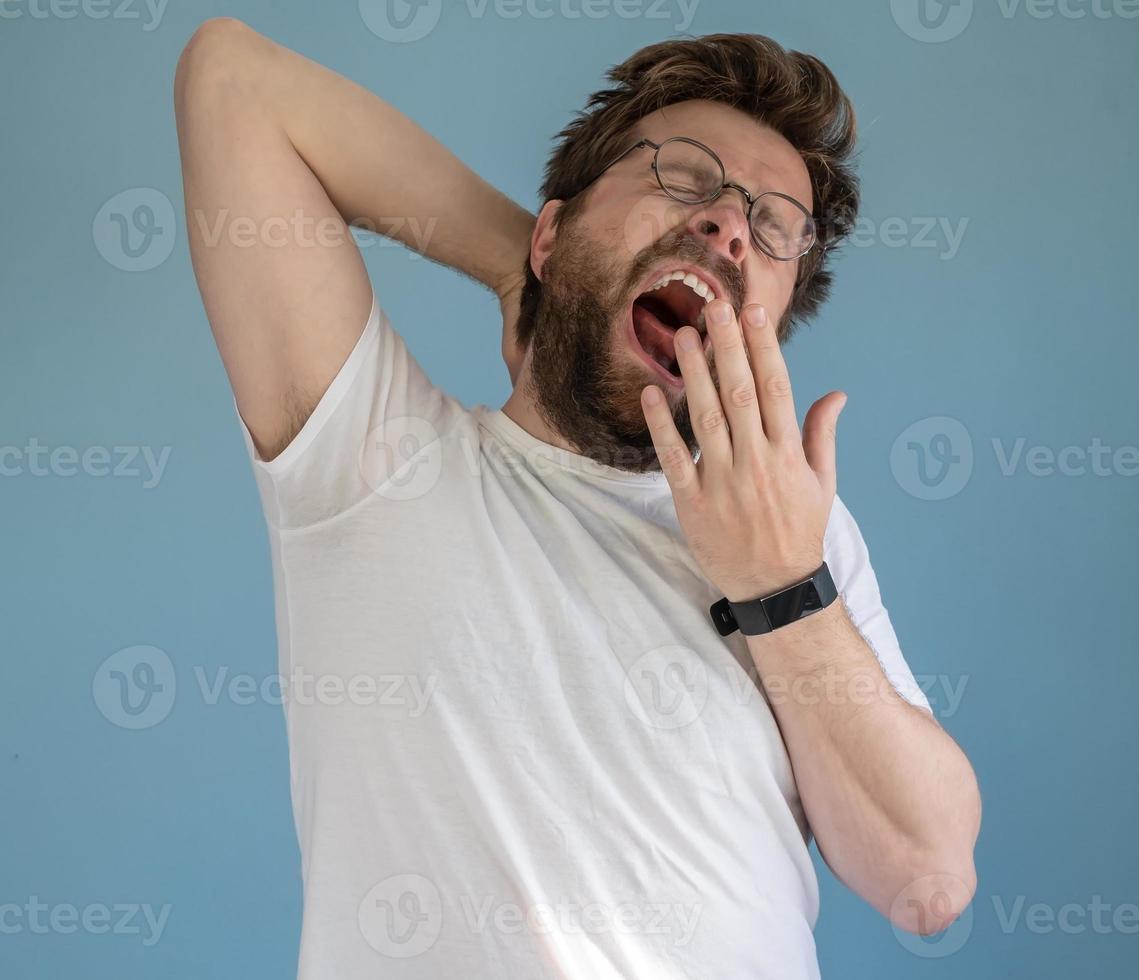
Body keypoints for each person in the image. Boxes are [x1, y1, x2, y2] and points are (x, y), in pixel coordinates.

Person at [174, 18, 980, 978]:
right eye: (683, 174)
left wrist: (781, 584)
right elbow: (231, 80)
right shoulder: (371, 460)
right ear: (553, 233)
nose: (730, 224)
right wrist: (527, 272)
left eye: (774, 229)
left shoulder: (801, 534)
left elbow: (925, 878)